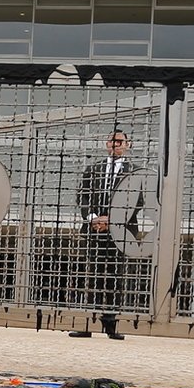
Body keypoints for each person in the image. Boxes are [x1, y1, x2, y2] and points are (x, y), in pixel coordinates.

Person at [71, 129, 136, 340]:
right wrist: (93, 218)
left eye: (120, 141)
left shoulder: (134, 172)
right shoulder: (93, 169)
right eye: (112, 141)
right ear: (106, 144)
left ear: (127, 144)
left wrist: (112, 219)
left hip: (120, 231)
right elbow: (83, 195)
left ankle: (111, 324)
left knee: (116, 276)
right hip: (94, 229)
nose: (116, 144)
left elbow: (137, 201)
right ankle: (88, 322)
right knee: (93, 274)